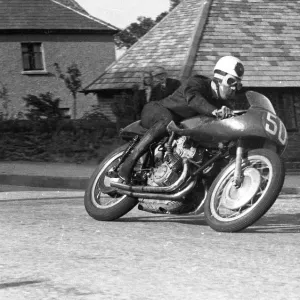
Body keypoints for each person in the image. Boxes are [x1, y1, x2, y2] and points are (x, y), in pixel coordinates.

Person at [119, 56, 245, 183]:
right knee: (167, 120)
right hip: (157, 110)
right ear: (219, 78)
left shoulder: (223, 103)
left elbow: (236, 114)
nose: (234, 88)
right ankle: (128, 164)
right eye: (231, 82)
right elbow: (194, 100)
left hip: (179, 127)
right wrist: (215, 112)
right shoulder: (197, 82)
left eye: (238, 85)